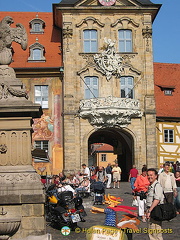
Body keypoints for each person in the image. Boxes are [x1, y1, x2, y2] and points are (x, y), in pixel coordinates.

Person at [146, 168, 164, 240]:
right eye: (148, 175)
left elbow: (157, 200)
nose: (149, 177)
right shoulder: (151, 186)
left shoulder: (157, 186)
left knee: (156, 234)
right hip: (151, 211)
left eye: (151, 175)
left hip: (155, 211)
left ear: (156, 176)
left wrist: (150, 211)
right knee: (152, 233)